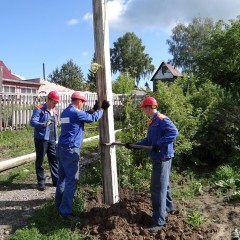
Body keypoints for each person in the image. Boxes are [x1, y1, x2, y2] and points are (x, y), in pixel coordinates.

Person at [125, 96, 178, 233]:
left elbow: (173, 132)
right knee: (163, 185)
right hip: (160, 157)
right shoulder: (153, 122)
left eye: (144, 109)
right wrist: (134, 145)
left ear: (149, 108)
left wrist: (159, 144)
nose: (144, 112)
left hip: (162, 157)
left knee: (156, 188)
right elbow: (149, 140)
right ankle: (168, 209)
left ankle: (159, 222)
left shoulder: (161, 119)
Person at [55, 91, 110, 220]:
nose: (82, 105)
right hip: (70, 151)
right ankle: (65, 212)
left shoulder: (65, 112)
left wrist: (94, 109)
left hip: (61, 149)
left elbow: (81, 117)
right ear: (79, 102)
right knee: (71, 181)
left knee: (61, 179)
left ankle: (58, 206)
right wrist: (102, 109)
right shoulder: (76, 112)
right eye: (82, 103)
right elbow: (91, 118)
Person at [30, 91, 60, 191]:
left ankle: (56, 181)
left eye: (56, 103)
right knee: (40, 161)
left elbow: (56, 123)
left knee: (54, 160)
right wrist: (43, 124)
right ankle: (41, 182)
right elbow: (32, 122)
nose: (55, 104)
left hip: (52, 139)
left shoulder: (54, 110)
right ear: (49, 99)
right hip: (41, 139)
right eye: (54, 102)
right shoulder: (39, 109)